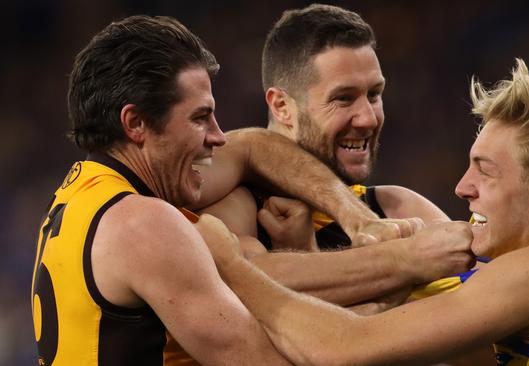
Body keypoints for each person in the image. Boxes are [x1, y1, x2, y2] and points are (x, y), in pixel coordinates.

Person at [29, 15, 434, 365]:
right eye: (200, 118)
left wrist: (355, 219)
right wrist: (390, 292)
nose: (218, 137)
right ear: (135, 124)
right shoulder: (144, 224)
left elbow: (251, 147)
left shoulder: (83, 196)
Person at [196, 59, 529, 365]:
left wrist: (231, 265)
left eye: (484, 172)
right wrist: (305, 247)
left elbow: (341, 348)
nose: (462, 187)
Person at [194, 3, 464, 309]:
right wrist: (401, 264)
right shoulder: (236, 205)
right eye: (343, 98)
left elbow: (480, 315)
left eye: (374, 95)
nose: (368, 118)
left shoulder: (398, 208)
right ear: (282, 106)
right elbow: (240, 284)